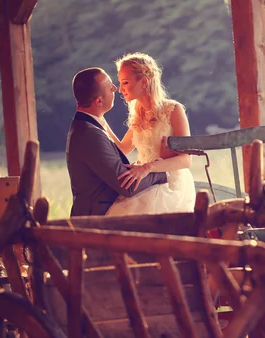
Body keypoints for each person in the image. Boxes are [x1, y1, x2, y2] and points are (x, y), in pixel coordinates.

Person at [66, 67, 168, 217]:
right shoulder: (89, 134)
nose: (115, 88)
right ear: (98, 101)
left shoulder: (89, 125)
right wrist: (161, 171)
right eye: (110, 86)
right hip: (97, 218)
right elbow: (128, 186)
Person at [103, 52, 196, 216]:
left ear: (144, 82)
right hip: (146, 180)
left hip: (170, 183)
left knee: (135, 216)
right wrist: (101, 120)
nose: (121, 89)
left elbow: (186, 160)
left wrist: (148, 167)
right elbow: (122, 149)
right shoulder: (138, 115)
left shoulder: (173, 110)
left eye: (125, 82)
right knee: (114, 215)